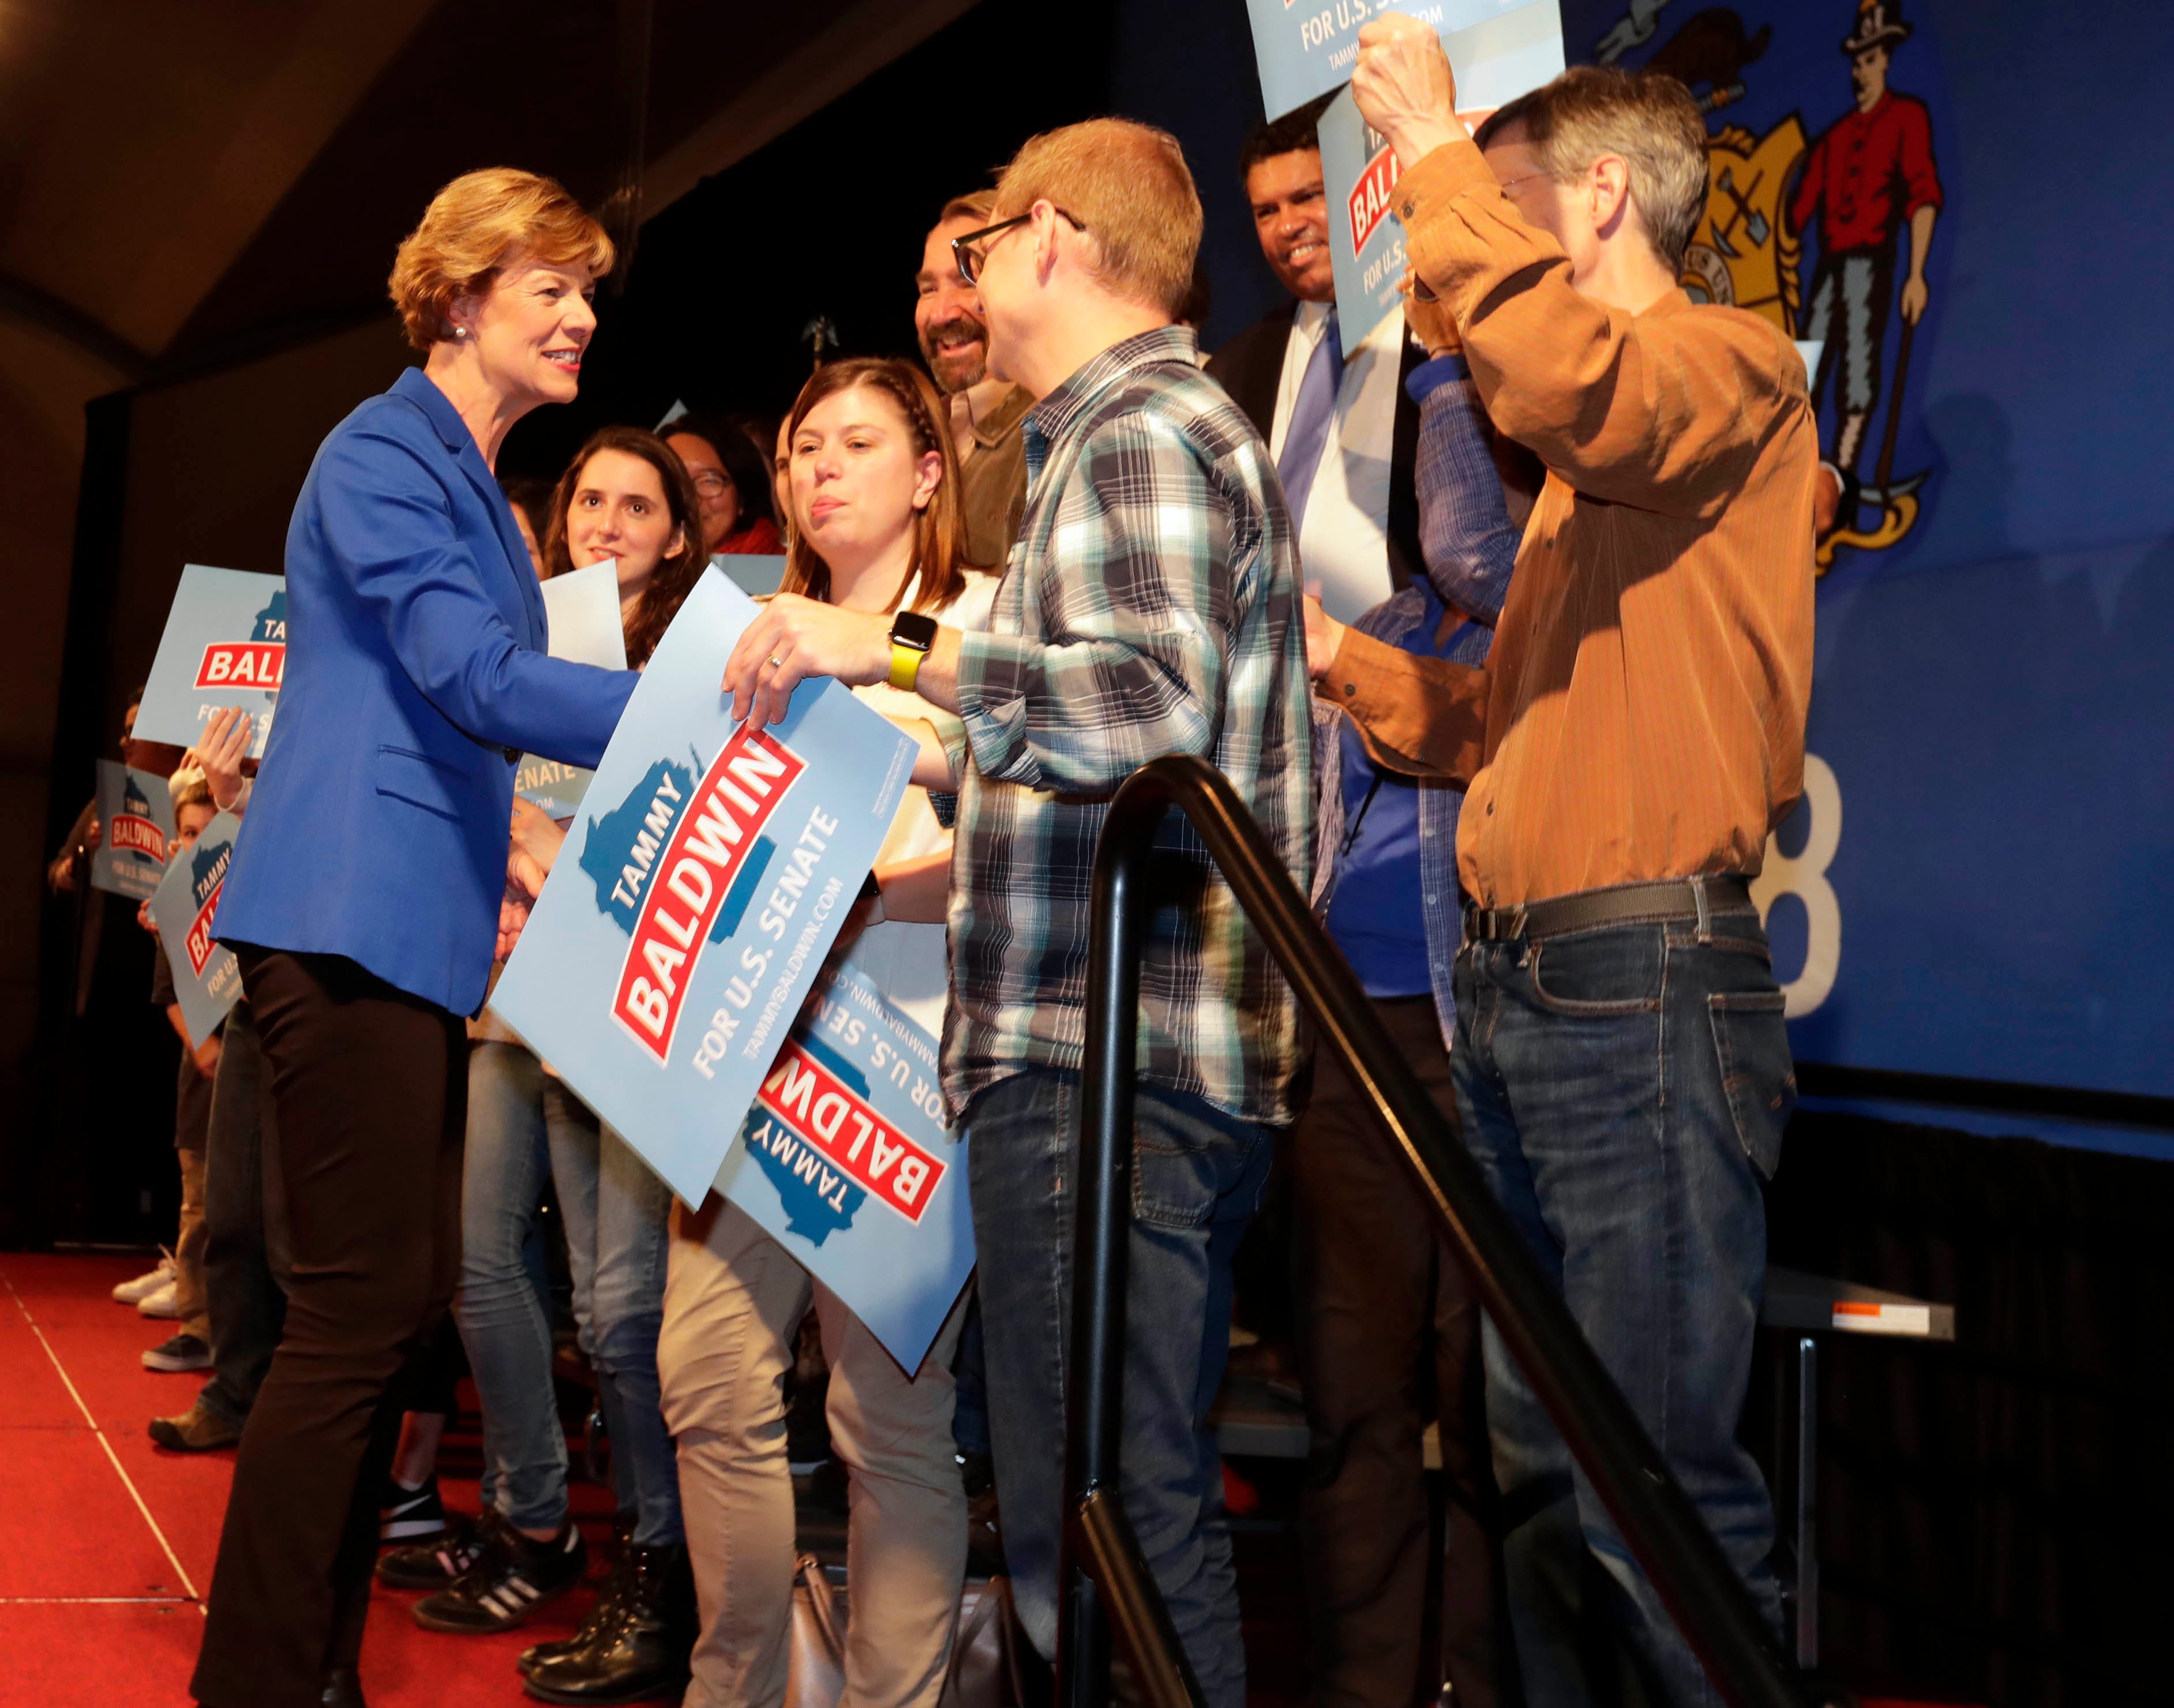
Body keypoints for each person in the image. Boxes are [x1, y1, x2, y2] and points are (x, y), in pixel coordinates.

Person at [722, 117, 1314, 1708]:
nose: (971, 281)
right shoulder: (1114, 437)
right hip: (1096, 1053)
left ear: (1050, 236)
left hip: (1111, 1055)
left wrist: (898, 653)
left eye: (984, 245)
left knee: (1114, 1517)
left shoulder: (1138, 430)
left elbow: (1146, 710)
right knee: (1090, 1515)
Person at [1326, 25, 1816, 1705]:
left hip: (1635, 986)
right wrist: (1338, 657)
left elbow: (1567, 384)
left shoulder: (1723, 368)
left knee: (1647, 1488)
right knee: (1543, 1476)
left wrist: (1428, 138)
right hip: (1531, 991)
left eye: (1503, 202)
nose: (1456, 242)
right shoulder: (1589, 482)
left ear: (1595, 201)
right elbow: (1498, 722)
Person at [189, 167, 637, 1708]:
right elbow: (477, 680)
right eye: (550, 288)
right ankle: (260, 1679)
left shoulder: (471, 482)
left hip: (405, 931)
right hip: (344, 919)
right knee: (354, 1323)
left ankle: (306, 1672)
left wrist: (512, 843)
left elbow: (462, 711)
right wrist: (701, 713)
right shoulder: (385, 451)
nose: (582, 317)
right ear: (459, 297)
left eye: (589, 293)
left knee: (375, 1321)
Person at [650, 354, 997, 1708]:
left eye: (854, 442)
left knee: (884, 1419)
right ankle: (727, 1683)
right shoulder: (742, 630)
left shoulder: (974, 629)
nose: (817, 467)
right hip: (746, 1059)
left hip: (904, 1060)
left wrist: (870, 882)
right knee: (706, 1375)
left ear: (926, 474)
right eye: (800, 447)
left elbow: (1037, 823)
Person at [419, 425, 704, 1704]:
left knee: (616, 1307)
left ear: (679, 534)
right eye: (589, 498)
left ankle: (659, 1564)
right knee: (482, 1266)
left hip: (624, 1012)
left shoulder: (702, 667)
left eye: (636, 504)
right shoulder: (511, 640)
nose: (605, 520)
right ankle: (535, 1518)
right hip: (509, 998)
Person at [1292, 287, 1536, 1705]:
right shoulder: (1376, 613)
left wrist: (1442, 357)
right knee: (1351, 1397)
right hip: (1345, 1049)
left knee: (1492, 1403)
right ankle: (1366, 1685)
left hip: (1480, 1042)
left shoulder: (1551, 615)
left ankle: (1477, 1679)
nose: (1456, 476)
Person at [1208, 96, 1426, 622]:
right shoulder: (1232, 371)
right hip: (1276, 671)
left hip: (1419, 660)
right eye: (1267, 211)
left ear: (1362, 195)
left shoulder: (1434, 333)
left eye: (1307, 197)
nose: (1287, 226)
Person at [150, 707, 294, 1455]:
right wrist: (182, 908)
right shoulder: (250, 738)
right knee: (231, 1216)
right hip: (251, 1000)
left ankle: (294, 1414)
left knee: (292, 1236)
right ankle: (235, 1394)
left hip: (318, 997)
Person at [137, 763, 222, 1377]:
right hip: (204, 1089)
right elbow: (169, 994)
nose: (195, 845)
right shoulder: (176, 909)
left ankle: (236, 1330)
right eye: (187, 834)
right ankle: (197, 1325)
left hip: (253, 1089)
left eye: (207, 833)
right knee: (198, 1211)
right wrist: (204, 1047)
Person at [914, 191, 1032, 568]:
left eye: (968, 279)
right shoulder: (911, 436)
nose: (941, 313)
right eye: (928, 289)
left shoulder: (1053, 432)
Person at [664, 411, 783, 557]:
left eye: (709, 481)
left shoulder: (784, 571)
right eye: (674, 481)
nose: (690, 498)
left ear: (741, 498)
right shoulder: (635, 572)